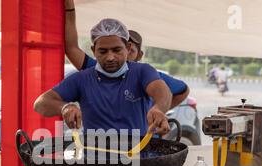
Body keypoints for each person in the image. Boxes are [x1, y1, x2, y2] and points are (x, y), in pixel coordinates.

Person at [34, 18, 172, 137]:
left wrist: (158, 109)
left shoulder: (142, 71)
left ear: (128, 48)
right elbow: (40, 103)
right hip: (96, 163)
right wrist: (65, 108)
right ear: (93, 50)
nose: (110, 57)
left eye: (117, 50)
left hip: (138, 160)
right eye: (103, 51)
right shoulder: (81, 79)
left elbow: (163, 92)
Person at [64, 0, 189, 108]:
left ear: (139, 55)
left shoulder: (150, 75)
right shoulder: (96, 69)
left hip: (141, 135)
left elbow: (183, 90)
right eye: (106, 50)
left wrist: (157, 113)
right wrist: (70, 9)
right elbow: (71, 48)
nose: (112, 56)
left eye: (119, 50)